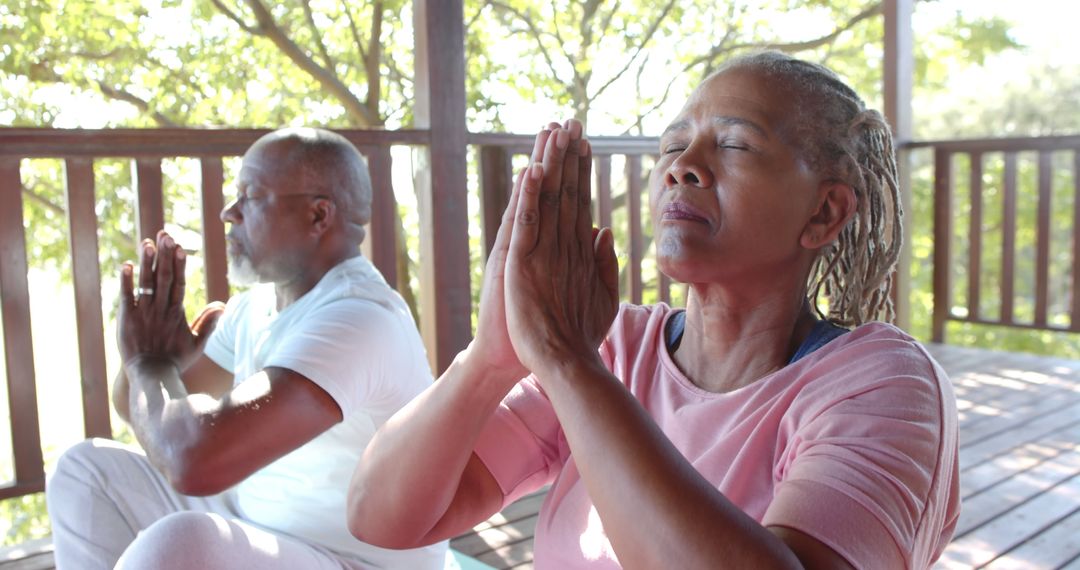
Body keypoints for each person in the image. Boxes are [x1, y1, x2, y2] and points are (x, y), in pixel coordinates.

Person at [347, 52, 960, 569]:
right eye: (672, 145)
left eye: (735, 143)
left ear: (824, 212)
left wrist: (567, 363)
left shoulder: (881, 382)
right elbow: (381, 517)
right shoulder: (614, 348)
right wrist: (490, 359)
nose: (681, 167)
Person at [46, 127, 447, 569]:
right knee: (86, 471)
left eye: (250, 196)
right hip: (258, 530)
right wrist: (154, 355)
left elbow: (194, 462)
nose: (227, 212)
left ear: (319, 216)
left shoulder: (359, 319)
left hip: (351, 560)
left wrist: (150, 363)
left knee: (182, 543)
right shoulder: (255, 306)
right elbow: (143, 413)